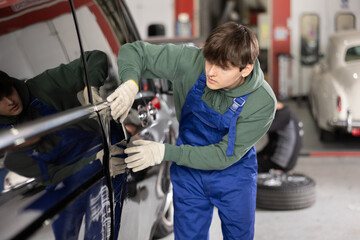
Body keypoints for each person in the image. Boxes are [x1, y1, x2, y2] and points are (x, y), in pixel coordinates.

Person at [107, 22, 277, 239]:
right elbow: (134, 51)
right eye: (209, 61)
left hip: (233, 174)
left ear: (246, 69)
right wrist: (130, 83)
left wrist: (164, 152)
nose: (211, 72)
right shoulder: (190, 60)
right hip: (189, 174)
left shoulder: (262, 102)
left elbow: (222, 155)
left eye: (223, 67)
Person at [0, 50, 125, 184]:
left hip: (114, 146)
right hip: (83, 184)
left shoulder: (42, 88)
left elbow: (95, 57)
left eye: (9, 92)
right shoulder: (6, 145)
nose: (10, 102)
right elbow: (52, 177)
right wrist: (95, 163)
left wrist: (91, 86)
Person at [257, 101, 303, 173]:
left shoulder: (283, 115)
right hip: (287, 160)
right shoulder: (287, 113)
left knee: (251, 168)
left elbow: (261, 130)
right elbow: (272, 143)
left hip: (281, 163)